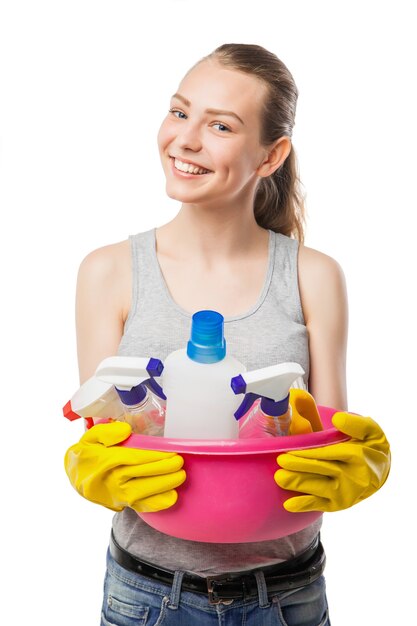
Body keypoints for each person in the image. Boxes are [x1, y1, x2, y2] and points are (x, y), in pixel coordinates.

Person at [64, 43, 390, 625]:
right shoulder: (108, 271)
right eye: (180, 111)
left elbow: (328, 432)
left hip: (287, 594)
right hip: (148, 595)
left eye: (220, 125)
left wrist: (359, 462)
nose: (185, 139)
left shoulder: (312, 276)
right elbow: (102, 429)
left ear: (271, 155)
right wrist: (92, 467)